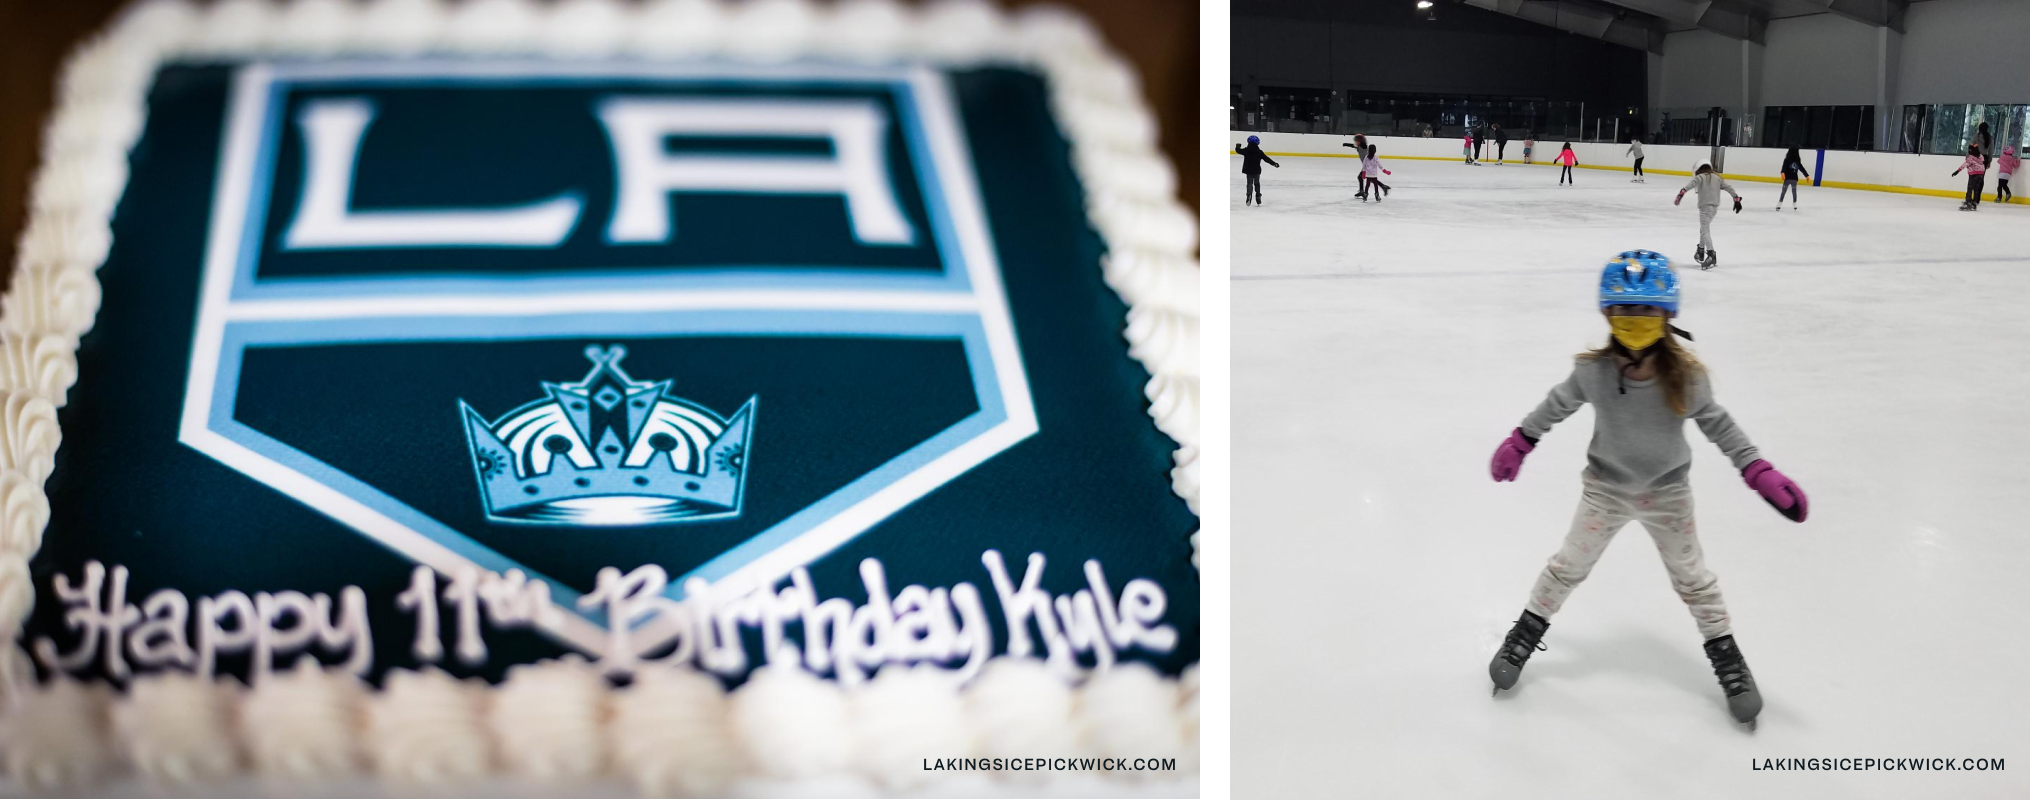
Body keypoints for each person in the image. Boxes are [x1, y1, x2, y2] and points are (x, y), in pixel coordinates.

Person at [1486, 250, 1808, 731]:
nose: (1635, 320)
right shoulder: (1592, 372)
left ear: (1668, 314)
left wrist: (1757, 469)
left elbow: (1719, 426)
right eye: (1624, 310)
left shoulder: (1686, 376)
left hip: (1667, 495)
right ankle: (1525, 634)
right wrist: (1522, 440)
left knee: (1694, 581)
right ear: (1607, 314)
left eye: (1647, 310)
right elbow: (1555, 406)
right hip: (1605, 491)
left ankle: (1728, 660)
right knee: (1566, 567)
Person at [1674, 161, 1742, 268]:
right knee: (1704, 229)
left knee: (1705, 230)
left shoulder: (1700, 177)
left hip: (1705, 208)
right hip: (1714, 208)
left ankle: (1711, 254)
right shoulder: (1717, 178)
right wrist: (1736, 199)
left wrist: (1680, 195)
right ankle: (1701, 250)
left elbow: (1688, 186)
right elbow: (1728, 187)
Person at [1235, 135, 1278, 205]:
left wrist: (1237, 146)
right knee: (1257, 183)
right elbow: (1266, 159)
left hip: (1248, 170)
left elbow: (1238, 151)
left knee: (1249, 183)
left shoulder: (1246, 150)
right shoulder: (1259, 152)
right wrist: (1274, 164)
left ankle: (1249, 194)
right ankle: (1258, 195)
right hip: (1256, 170)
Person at [1951, 143, 1986, 211]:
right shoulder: (1981, 156)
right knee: (1976, 189)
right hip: (1981, 174)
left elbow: (1964, 165)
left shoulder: (1971, 157)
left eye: (1969, 150)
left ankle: (1968, 202)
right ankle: (1974, 203)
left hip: (1973, 174)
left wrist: (1957, 171)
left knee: (1969, 189)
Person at [1342, 134, 1370, 199]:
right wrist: (1346, 144)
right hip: (1367, 165)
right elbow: (1353, 146)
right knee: (1362, 178)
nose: (1356, 142)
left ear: (1361, 141)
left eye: (1357, 141)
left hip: (1368, 165)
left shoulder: (1363, 146)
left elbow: (1360, 145)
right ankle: (1362, 191)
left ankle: (1362, 191)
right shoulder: (1359, 147)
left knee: (1368, 179)